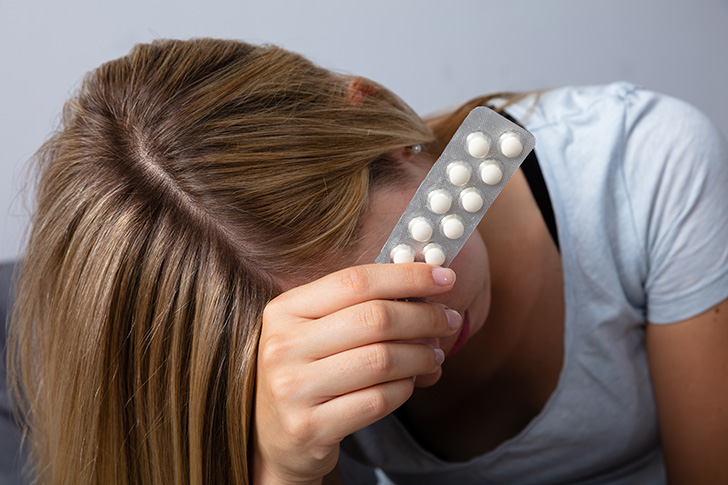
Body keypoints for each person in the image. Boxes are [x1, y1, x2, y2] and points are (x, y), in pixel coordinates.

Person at [6, 38, 727, 485]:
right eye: (343, 333)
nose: (425, 331)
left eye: (402, 260)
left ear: (380, 123)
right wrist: (284, 469)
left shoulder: (643, 167)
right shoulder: (261, 391)